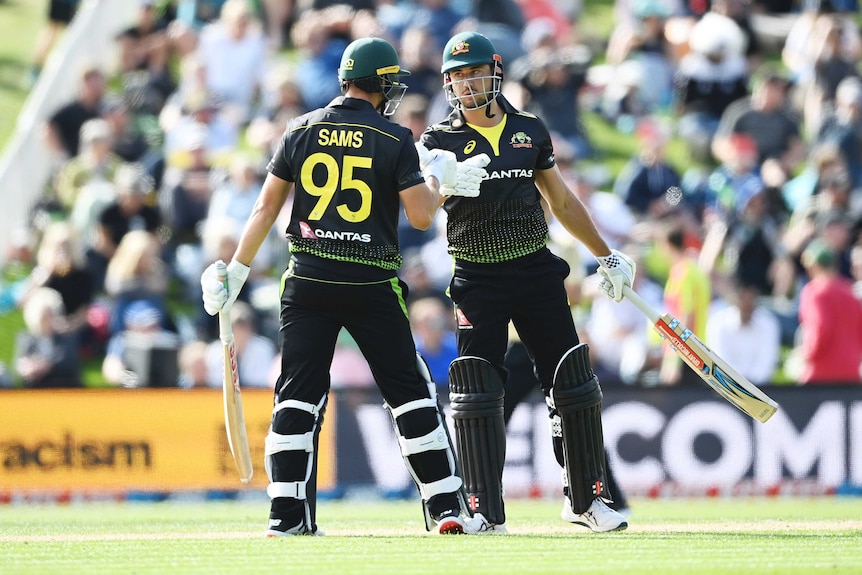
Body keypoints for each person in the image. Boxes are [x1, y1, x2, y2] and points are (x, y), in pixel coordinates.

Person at [199, 37, 491, 536]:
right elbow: (422, 218)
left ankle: (285, 518)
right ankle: (447, 509)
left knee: (296, 398)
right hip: (371, 283)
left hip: (308, 279)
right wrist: (444, 182)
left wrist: (236, 271)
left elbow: (265, 208)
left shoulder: (299, 129)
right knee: (411, 396)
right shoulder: (394, 137)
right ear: (380, 84)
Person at [420, 31, 635, 533]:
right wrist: (441, 182)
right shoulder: (437, 140)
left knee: (573, 382)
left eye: (474, 72)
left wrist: (605, 256)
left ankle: (586, 500)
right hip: (476, 276)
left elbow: (560, 203)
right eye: (456, 76)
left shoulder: (529, 130)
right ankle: (481, 509)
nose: (466, 83)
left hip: (537, 269)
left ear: (494, 72)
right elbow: (421, 214)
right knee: (477, 390)